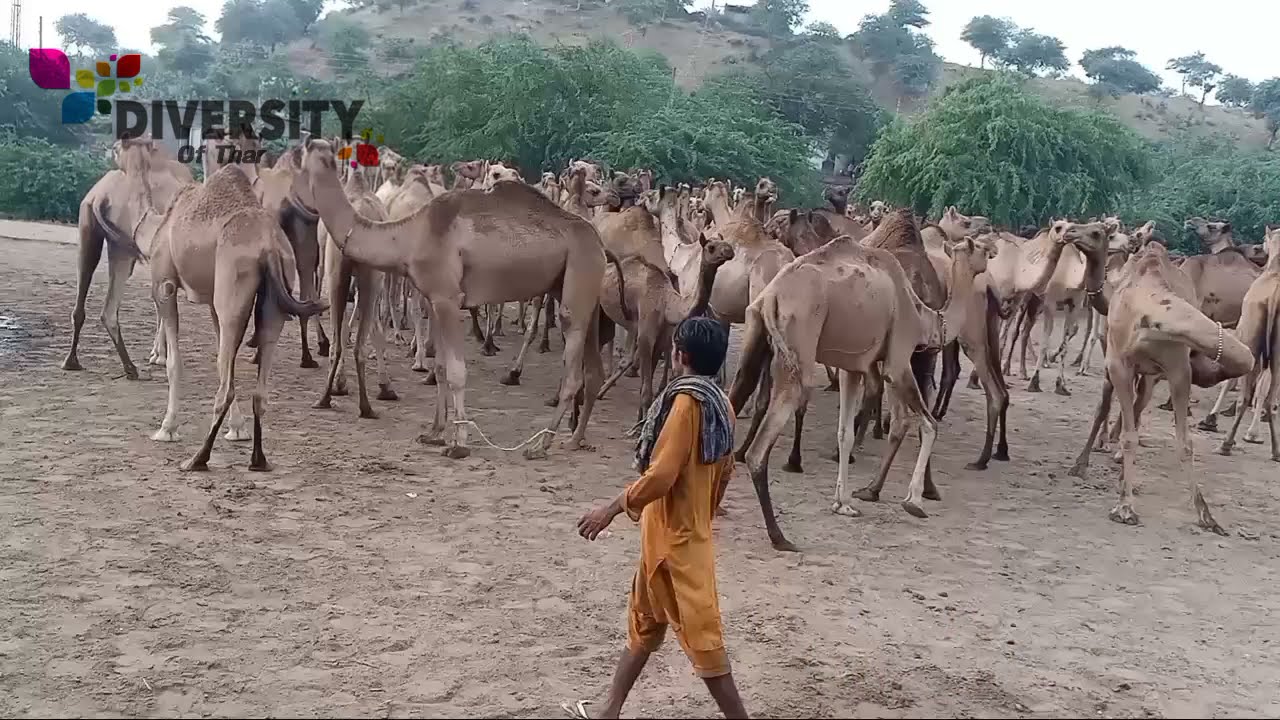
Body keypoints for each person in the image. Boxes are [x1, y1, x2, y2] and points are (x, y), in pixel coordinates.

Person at [570, 317, 747, 719]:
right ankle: (609, 708)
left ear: (681, 355)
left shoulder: (686, 405)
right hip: (676, 536)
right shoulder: (723, 404)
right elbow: (724, 472)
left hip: (675, 545)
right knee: (645, 622)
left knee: (704, 641)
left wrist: (610, 509)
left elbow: (662, 476)